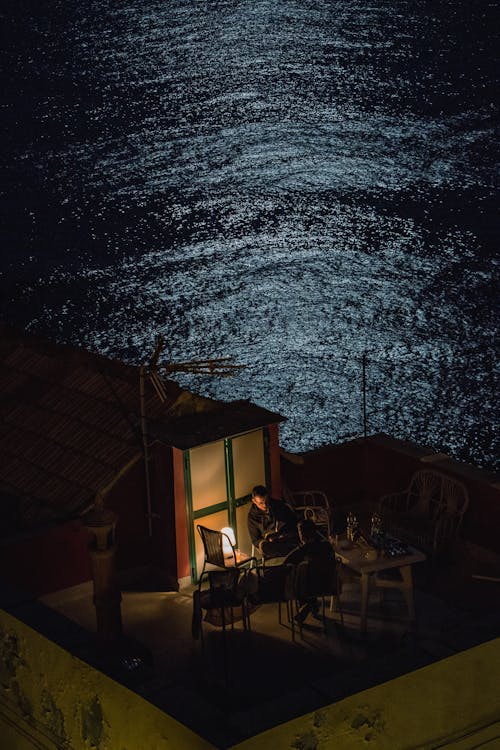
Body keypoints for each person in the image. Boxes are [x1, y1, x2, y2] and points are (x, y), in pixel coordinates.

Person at [285, 518, 338, 624]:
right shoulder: (326, 545)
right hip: (330, 585)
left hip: (311, 588)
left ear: (301, 534)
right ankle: (312, 605)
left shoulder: (302, 551)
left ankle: (310, 605)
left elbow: (286, 562)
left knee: (300, 572)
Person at [247, 485, 299, 560]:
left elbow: (293, 521)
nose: (265, 505)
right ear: (254, 501)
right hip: (270, 544)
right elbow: (255, 539)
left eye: (266, 501)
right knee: (266, 547)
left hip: (285, 536)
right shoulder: (252, 517)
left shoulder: (278, 505)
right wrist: (267, 540)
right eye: (260, 503)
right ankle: (288, 555)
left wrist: (282, 533)